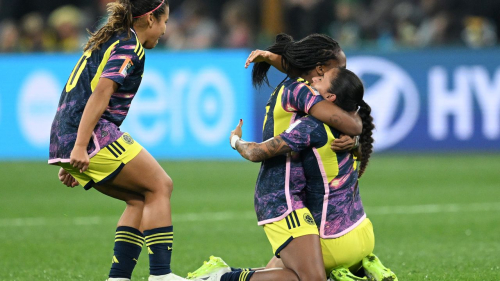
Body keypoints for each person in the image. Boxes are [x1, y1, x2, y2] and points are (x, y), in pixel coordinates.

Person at [187, 34, 362, 281]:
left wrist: (272, 58)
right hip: (283, 195)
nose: (344, 74)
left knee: (291, 273)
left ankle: (223, 274)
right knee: (311, 279)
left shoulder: (297, 85)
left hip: (295, 192)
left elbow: (340, 106)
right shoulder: (302, 91)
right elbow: (346, 119)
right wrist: (356, 134)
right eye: (340, 68)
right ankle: (219, 279)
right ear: (320, 69)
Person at [48, 1, 185, 281]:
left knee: (139, 198)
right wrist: (78, 146)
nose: (164, 30)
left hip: (69, 132)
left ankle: (118, 277)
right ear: (149, 19)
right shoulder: (127, 45)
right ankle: (161, 275)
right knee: (160, 186)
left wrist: (70, 148)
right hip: (91, 133)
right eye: (164, 22)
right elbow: (101, 92)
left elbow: (79, 90)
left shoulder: (110, 38)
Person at [227, 68, 397, 281]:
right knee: (274, 264)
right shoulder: (352, 129)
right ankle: (361, 268)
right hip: (363, 233)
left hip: (332, 241)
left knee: (297, 276)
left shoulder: (310, 126)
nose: (315, 78)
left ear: (329, 97)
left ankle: (222, 277)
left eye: (323, 78)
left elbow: (255, 153)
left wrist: (235, 140)